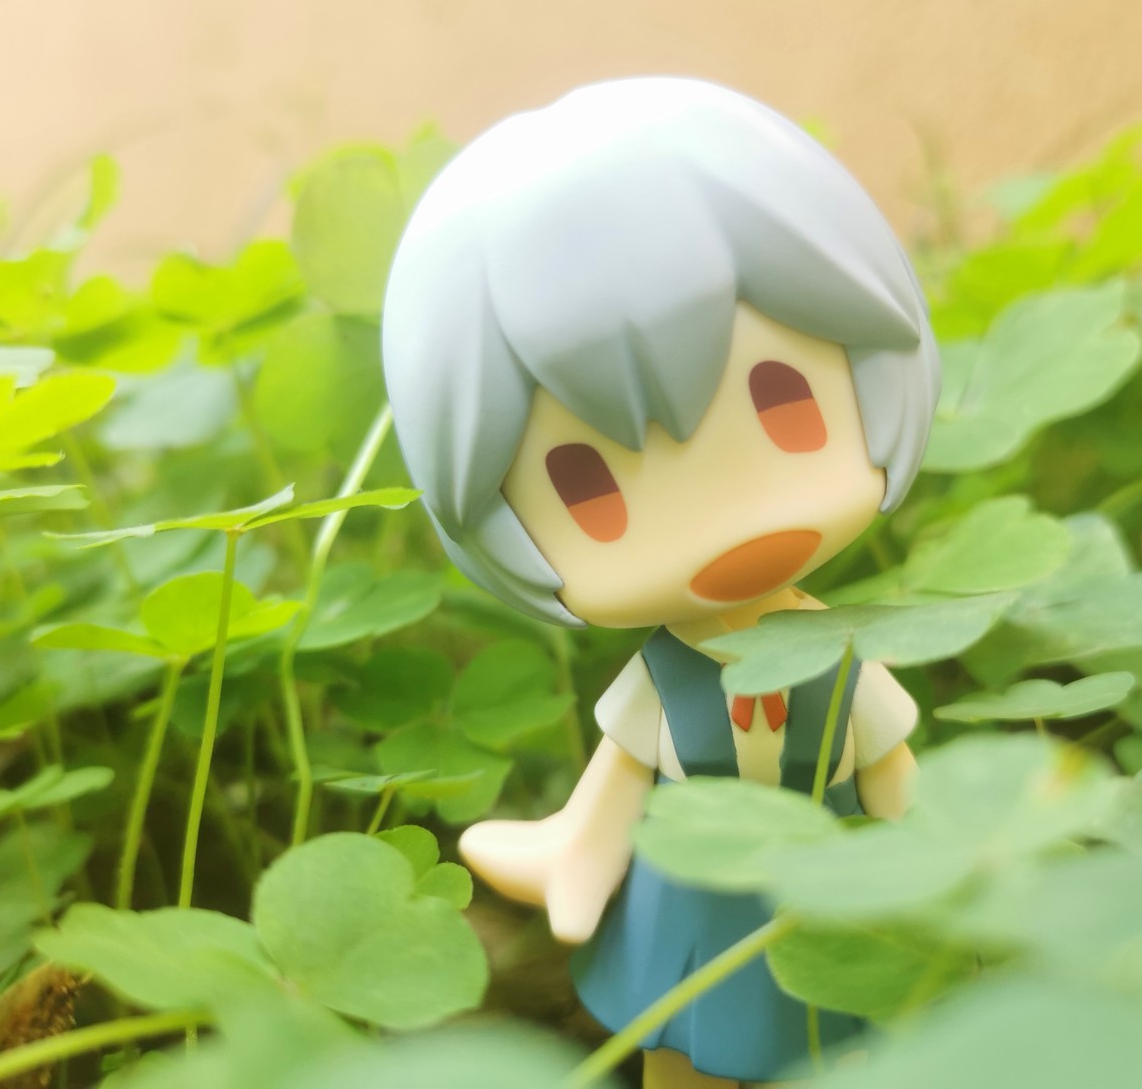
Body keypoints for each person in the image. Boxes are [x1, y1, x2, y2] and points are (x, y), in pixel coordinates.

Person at [382, 77, 940, 1088]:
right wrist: (578, 856)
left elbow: (898, 783)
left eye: (786, 404)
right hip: (692, 899)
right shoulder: (664, 681)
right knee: (682, 1048)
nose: (723, 524)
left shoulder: (842, 660)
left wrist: (946, 870)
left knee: (843, 1042)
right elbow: (617, 786)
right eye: (588, 488)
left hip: (833, 897)